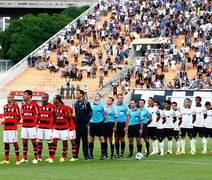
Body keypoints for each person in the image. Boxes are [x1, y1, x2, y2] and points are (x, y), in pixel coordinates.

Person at [20, 90, 40, 164]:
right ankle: (25, 158)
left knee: (34, 142)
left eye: (25, 94)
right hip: (24, 126)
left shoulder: (35, 104)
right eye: (24, 94)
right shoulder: (23, 104)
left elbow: (39, 115)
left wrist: (36, 123)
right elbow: (22, 114)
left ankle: (36, 158)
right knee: (24, 142)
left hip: (32, 126)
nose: (24, 95)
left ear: (30, 96)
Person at [0, 94, 21, 165]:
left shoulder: (16, 107)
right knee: (6, 143)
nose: (8, 98)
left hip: (13, 128)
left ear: (12, 98)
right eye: (7, 97)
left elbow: (19, 117)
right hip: (6, 128)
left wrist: (15, 123)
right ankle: (6, 159)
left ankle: (18, 160)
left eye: (9, 97)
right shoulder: (5, 107)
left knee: (15, 143)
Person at [50, 95, 70, 163]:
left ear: (58, 100)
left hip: (64, 128)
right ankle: (52, 157)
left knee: (64, 143)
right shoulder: (53, 108)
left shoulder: (64, 107)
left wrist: (66, 124)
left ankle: (64, 156)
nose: (53, 100)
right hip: (56, 127)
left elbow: (69, 117)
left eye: (54, 99)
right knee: (54, 142)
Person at [37, 93, 56, 162]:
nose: (43, 99)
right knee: (39, 142)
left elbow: (55, 116)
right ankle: (39, 157)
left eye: (45, 98)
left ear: (47, 99)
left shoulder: (51, 106)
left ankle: (51, 157)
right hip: (40, 127)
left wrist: (52, 125)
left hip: (48, 127)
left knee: (50, 142)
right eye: (42, 98)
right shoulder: (39, 107)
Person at [75, 90, 92, 160]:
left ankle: (86, 155)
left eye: (77, 93)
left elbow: (90, 113)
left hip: (84, 124)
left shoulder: (86, 103)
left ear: (81, 95)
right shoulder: (75, 103)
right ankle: (75, 155)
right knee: (76, 140)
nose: (76, 94)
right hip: (77, 124)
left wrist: (86, 121)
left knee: (85, 140)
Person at [89, 93, 107, 160]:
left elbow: (105, 115)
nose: (96, 97)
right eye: (95, 96)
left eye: (97, 96)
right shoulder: (91, 105)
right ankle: (90, 154)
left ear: (100, 98)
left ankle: (103, 154)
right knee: (91, 138)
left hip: (100, 124)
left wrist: (101, 121)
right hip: (92, 123)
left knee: (101, 138)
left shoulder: (102, 106)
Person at [113, 94, 130, 158]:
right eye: (120, 98)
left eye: (122, 98)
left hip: (122, 124)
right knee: (116, 138)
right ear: (117, 98)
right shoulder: (114, 106)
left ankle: (122, 153)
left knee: (122, 139)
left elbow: (128, 116)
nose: (121, 99)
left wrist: (126, 126)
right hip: (116, 124)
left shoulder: (125, 106)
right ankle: (117, 152)